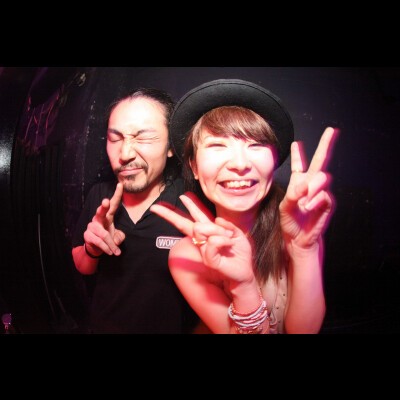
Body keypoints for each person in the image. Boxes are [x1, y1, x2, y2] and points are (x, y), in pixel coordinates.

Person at [150, 79, 338, 334]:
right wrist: (243, 286)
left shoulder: (300, 226)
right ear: (194, 166)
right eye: (217, 145)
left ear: (274, 162)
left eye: (256, 145)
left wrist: (304, 250)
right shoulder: (187, 257)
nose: (240, 164)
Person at [71, 88, 198, 333]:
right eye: (115, 139)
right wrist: (92, 249)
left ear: (171, 147)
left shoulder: (192, 202)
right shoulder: (100, 195)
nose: (125, 154)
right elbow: (82, 265)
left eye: (143, 138)